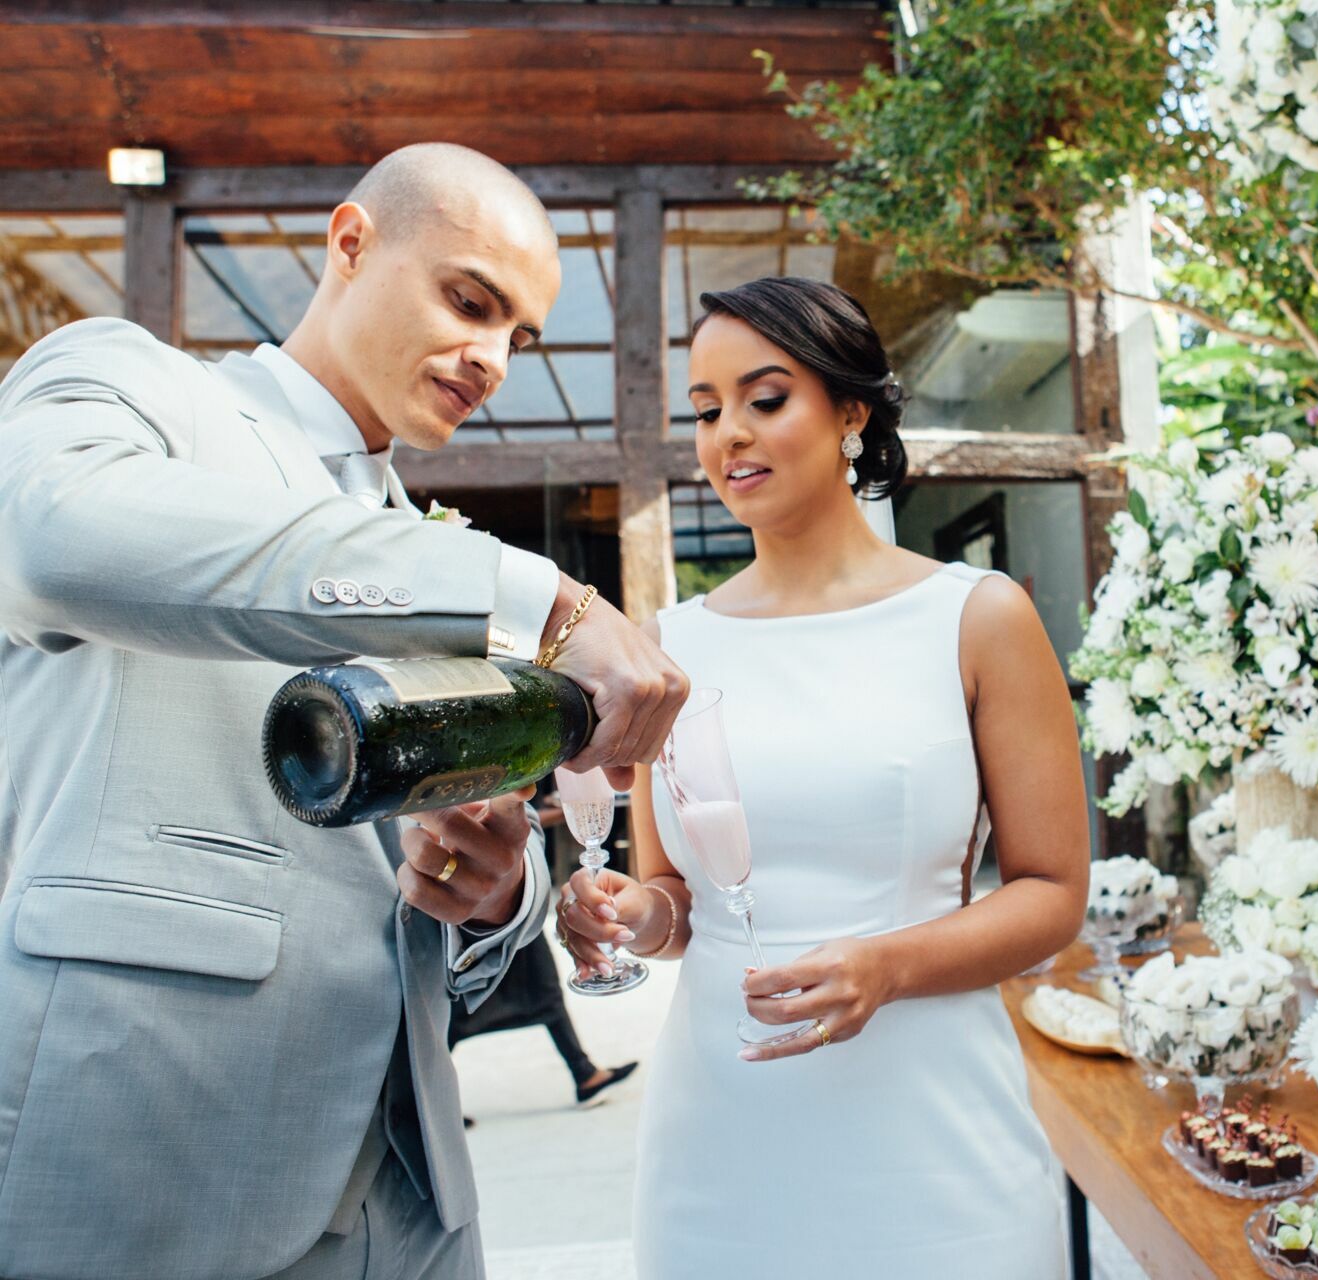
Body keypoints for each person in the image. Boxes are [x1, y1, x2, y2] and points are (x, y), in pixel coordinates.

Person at [0, 143, 686, 1280]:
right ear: (351, 242)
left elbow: (413, 882)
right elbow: (53, 539)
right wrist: (537, 594)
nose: (492, 359)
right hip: (158, 1157)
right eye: (470, 299)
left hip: (412, 1202)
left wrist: (494, 896)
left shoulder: (420, 538)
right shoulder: (134, 386)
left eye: (518, 336)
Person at [555, 276, 1089, 1279]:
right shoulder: (672, 642)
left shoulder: (978, 616)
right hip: (722, 1137)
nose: (729, 437)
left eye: (765, 399)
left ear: (852, 409)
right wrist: (633, 910)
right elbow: (679, 902)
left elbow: (1054, 894)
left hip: (931, 1130)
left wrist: (886, 965)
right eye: (707, 411)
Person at [447, 783, 637, 1115]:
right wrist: (567, 812)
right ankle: (431, 1099)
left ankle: (585, 1072)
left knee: (545, 991)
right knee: (451, 1013)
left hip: (518, 901)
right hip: (489, 902)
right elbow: (506, 820)